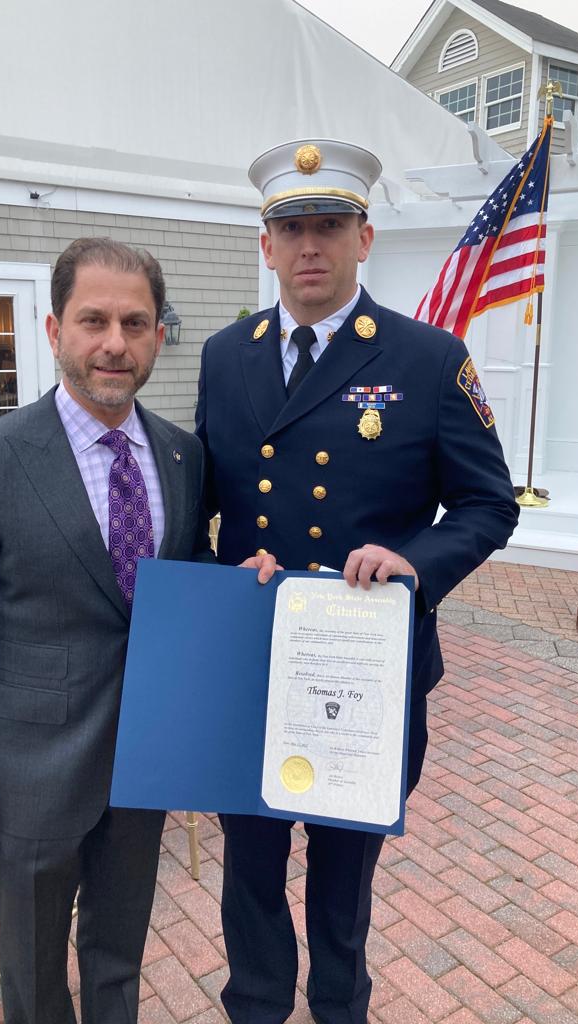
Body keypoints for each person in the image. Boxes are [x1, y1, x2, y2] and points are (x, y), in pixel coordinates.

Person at [196, 139, 519, 1024]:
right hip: (254, 666)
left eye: (329, 226)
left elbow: (489, 506)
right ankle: (256, 1008)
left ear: (363, 238)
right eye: (291, 227)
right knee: (250, 873)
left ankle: (340, 1010)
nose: (310, 246)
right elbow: (209, 505)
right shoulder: (226, 356)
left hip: (364, 673)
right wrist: (228, 564)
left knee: (342, 886)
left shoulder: (426, 358)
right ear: (266, 245)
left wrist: (418, 563)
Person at [0, 237, 274, 1024]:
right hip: (27, 776)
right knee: (36, 978)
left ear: (157, 335)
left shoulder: (182, 456)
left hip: (142, 766)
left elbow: (185, 569)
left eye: (136, 323)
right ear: (54, 331)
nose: (115, 342)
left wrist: (239, 583)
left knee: (118, 959)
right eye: (94, 321)